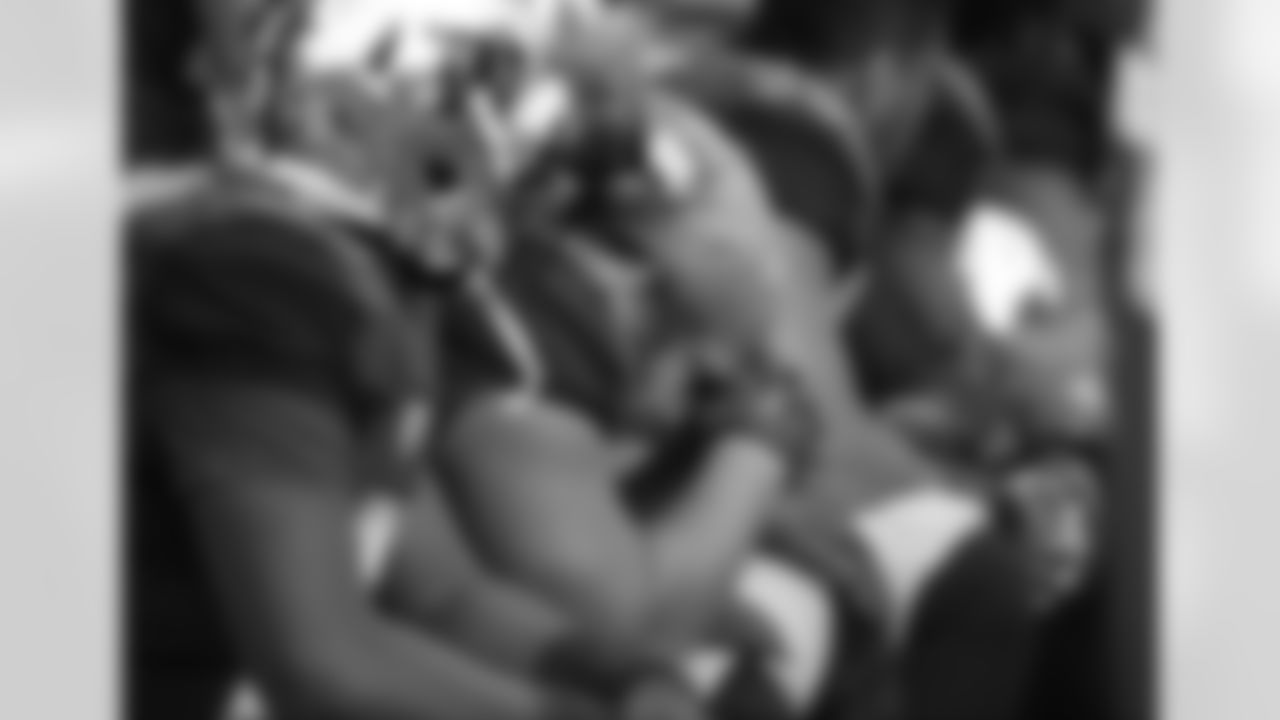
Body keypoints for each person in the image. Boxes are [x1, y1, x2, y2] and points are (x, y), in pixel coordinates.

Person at [126, 1, 709, 719]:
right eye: (497, 85)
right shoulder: (255, 272)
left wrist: (625, 677)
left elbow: (443, 597)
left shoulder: (362, 275)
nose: (545, 154)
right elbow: (320, 666)